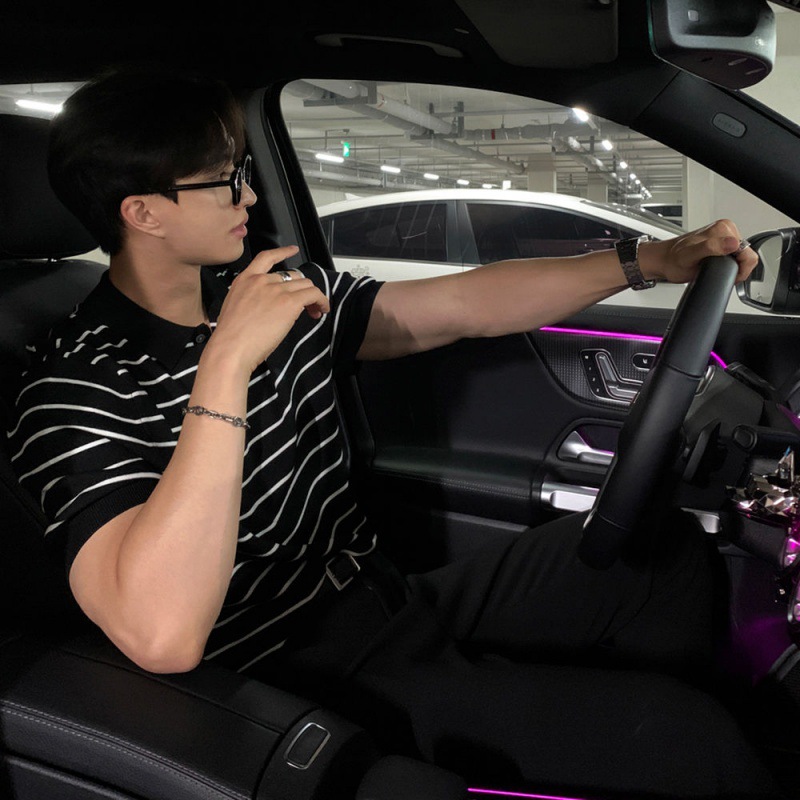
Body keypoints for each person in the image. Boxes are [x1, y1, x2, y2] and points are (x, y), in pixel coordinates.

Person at [8, 65, 780, 798]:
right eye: (222, 180)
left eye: (243, 169)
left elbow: (458, 307)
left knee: (664, 556)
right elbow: (161, 634)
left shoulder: (263, 291)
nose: (248, 194)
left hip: (383, 597)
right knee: (695, 745)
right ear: (142, 213)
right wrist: (227, 363)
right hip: (296, 674)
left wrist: (648, 259)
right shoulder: (77, 385)